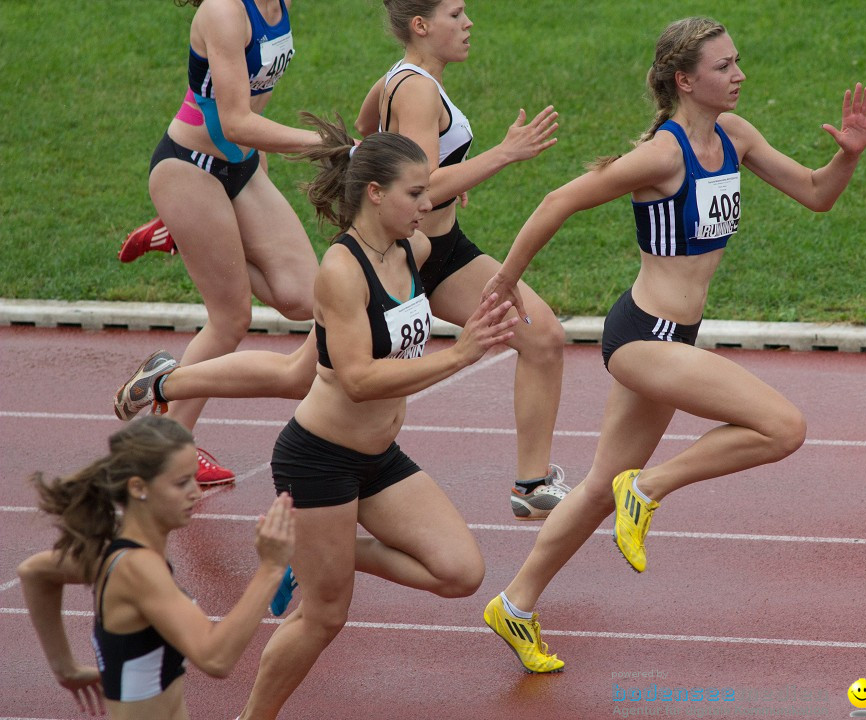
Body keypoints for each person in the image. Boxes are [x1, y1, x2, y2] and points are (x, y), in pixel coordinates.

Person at [480, 16, 866, 672]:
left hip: (677, 337)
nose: (739, 76)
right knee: (783, 427)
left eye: (737, 62)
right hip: (641, 337)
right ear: (684, 80)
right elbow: (558, 200)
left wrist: (848, 155)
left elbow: (815, 195)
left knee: (597, 485)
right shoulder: (663, 155)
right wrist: (505, 280)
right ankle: (651, 489)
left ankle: (514, 606)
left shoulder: (735, 135)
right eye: (724, 67)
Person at [232, 119, 517, 719]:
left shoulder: (410, 249)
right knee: (325, 616)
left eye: (427, 191)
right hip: (321, 459)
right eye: (416, 193)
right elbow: (357, 380)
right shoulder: (340, 271)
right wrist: (462, 355)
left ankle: (317, 551)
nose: (427, 203)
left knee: (461, 572)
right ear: (376, 193)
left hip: (378, 459)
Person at [352, 0, 570, 520]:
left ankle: (532, 484)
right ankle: (170, 383)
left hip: (443, 253)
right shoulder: (419, 89)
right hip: (396, 259)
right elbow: (420, 182)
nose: (468, 23)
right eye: (456, 14)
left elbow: (367, 139)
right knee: (323, 384)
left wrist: (453, 174)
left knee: (541, 336)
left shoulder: (400, 81)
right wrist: (502, 153)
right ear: (422, 25)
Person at [127, 0, 328, 486]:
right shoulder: (223, 11)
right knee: (230, 317)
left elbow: (251, 100)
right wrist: (329, 146)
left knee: (305, 296)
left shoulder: (277, 5)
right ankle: (169, 449)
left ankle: (185, 235)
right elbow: (235, 119)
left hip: (239, 165)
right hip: (188, 167)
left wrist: (259, 158)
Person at [17, 416, 295, 719]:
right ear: (138, 487)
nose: (196, 492)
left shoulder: (113, 556)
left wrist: (66, 668)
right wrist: (270, 568)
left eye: (194, 478)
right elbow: (216, 658)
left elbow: (36, 572)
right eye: (181, 483)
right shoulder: (138, 571)